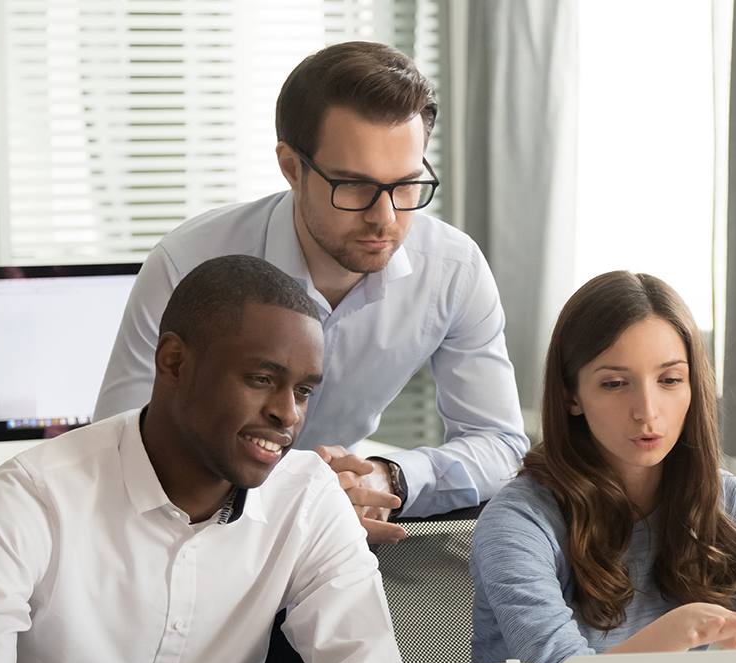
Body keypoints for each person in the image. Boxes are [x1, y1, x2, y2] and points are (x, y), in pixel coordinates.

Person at [0, 255, 417, 663]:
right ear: (174, 361)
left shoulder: (305, 496)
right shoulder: (30, 499)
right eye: (262, 379)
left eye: (303, 390)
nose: (287, 413)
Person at [95, 41, 527, 544]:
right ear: (291, 167)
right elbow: (120, 447)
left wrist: (389, 476)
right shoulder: (188, 263)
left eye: (406, 185)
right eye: (354, 186)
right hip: (194, 529)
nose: (384, 217)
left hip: (341, 528)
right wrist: (308, 492)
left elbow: (502, 447)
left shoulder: (453, 270)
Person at [448, 271, 736, 663]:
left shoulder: (725, 498)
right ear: (572, 395)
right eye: (614, 384)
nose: (647, 410)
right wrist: (677, 635)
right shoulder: (518, 521)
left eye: (670, 379)